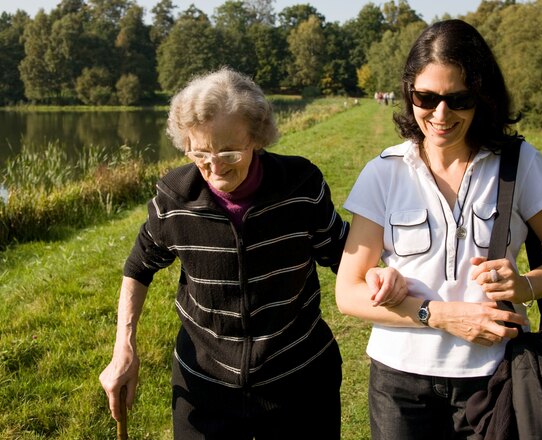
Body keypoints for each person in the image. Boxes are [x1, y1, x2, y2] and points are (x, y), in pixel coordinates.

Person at [335, 19, 542, 440]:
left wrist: (524, 285)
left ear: (482, 97)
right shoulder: (384, 172)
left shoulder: (519, 164)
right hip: (398, 383)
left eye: (459, 99)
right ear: (408, 92)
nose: (440, 114)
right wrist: (440, 315)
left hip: (495, 375)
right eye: (425, 97)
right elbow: (348, 293)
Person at [99, 67, 365, 439]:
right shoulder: (175, 198)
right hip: (205, 385)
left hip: (298, 380)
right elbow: (139, 266)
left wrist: (387, 283)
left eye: (228, 152)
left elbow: (343, 253)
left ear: (256, 137)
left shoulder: (300, 185)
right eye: (199, 153)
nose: (214, 166)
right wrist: (123, 347)